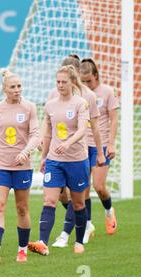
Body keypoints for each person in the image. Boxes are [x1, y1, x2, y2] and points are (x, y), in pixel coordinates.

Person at [53, 58, 119, 246]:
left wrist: (111, 144)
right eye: (83, 80)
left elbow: (113, 119)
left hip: (101, 144)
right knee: (82, 190)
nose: (86, 83)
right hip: (80, 146)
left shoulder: (106, 92)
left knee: (99, 186)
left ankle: (108, 211)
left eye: (89, 80)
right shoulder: (72, 94)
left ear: (95, 76)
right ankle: (87, 223)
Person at [28, 65, 90, 256]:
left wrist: (69, 143)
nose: (60, 85)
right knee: (49, 199)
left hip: (77, 160)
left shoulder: (81, 103)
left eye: (64, 82)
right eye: (58, 82)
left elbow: (81, 130)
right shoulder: (50, 105)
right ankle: (42, 242)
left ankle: (79, 241)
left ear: (72, 82)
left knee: (78, 203)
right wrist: (44, 156)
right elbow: (47, 133)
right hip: (55, 160)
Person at [0, 69, 39, 264]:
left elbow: (36, 135)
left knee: (22, 209)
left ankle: (22, 250)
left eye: (19, 86)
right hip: (0, 165)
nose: (17, 90)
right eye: (12, 87)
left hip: (22, 167)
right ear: (4, 89)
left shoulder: (29, 107)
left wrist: (25, 153)